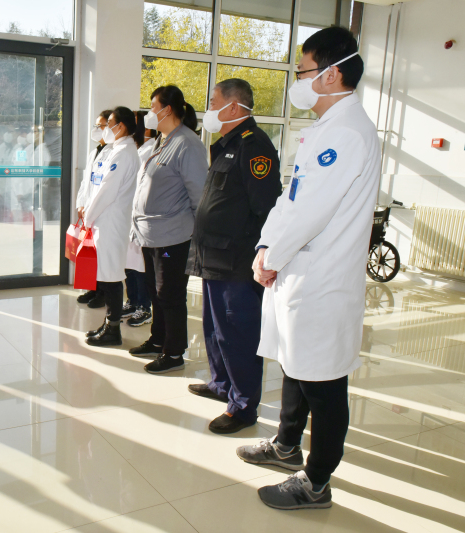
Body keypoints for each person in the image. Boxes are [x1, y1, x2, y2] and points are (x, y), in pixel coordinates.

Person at [236, 27, 378, 510]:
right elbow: (290, 199)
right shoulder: (326, 128)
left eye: (303, 71)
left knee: (323, 382)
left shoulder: (345, 132)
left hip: (322, 278)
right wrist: (267, 247)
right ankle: (286, 445)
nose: (297, 80)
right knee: (295, 367)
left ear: (332, 74)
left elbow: (312, 210)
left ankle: (316, 482)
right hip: (299, 268)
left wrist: (270, 257)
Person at [185, 79, 281, 434]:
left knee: (237, 334)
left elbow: (267, 207)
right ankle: (221, 383)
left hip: (236, 261)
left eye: (214, 102)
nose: (209, 109)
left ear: (234, 107)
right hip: (213, 256)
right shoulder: (227, 145)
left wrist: (261, 255)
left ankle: (243, 407)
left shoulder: (254, 146)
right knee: (214, 328)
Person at [130, 85, 207, 374]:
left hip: (173, 236)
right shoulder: (163, 140)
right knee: (155, 291)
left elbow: (199, 195)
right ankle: (158, 339)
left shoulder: (187, 144)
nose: (149, 114)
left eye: (153, 108)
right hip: (151, 235)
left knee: (169, 294)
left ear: (168, 110)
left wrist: (199, 236)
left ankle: (174, 353)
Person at [81, 107, 142, 346]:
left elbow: (107, 190)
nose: (104, 129)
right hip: (103, 220)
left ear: (121, 126)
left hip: (111, 221)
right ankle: (108, 324)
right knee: (106, 275)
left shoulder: (124, 153)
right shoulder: (114, 150)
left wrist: (88, 217)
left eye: (108, 125)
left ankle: (113, 330)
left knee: (111, 276)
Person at [121, 111, 156, 328]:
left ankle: (144, 306)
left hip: (142, 216)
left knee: (141, 264)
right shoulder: (138, 149)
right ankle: (133, 300)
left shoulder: (150, 149)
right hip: (130, 214)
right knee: (130, 262)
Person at [75, 109, 112, 309]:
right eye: (96, 125)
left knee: (102, 256)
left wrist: (90, 209)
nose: (97, 129)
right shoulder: (95, 152)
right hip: (88, 210)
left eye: (101, 125)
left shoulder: (113, 153)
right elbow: (85, 183)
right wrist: (81, 204)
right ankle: (92, 287)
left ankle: (103, 293)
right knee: (90, 253)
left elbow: (104, 188)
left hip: (101, 213)